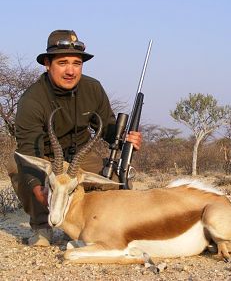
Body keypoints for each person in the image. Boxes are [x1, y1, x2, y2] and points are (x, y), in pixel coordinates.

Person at [8, 30, 142, 247]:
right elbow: (29, 151)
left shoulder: (93, 88)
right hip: (48, 159)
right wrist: (40, 191)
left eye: (77, 63)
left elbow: (109, 129)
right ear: (47, 64)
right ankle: (42, 226)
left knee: (117, 182)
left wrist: (128, 140)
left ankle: (93, 226)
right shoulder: (32, 99)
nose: (71, 71)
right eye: (62, 63)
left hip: (81, 159)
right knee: (17, 164)